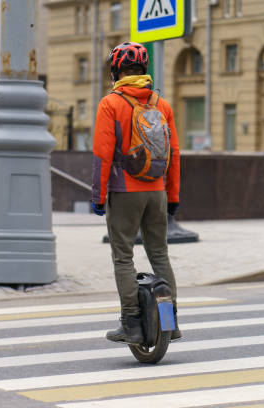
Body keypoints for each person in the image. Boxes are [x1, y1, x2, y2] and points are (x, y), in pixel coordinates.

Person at [91, 41, 181, 345]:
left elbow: (102, 154)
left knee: (123, 257)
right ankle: (171, 321)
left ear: (116, 71)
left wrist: (97, 195)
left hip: (125, 191)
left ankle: (130, 322)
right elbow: (175, 153)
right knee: (159, 254)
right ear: (145, 70)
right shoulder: (162, 104)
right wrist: (173, 195)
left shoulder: (111, 103)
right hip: (157, 192)